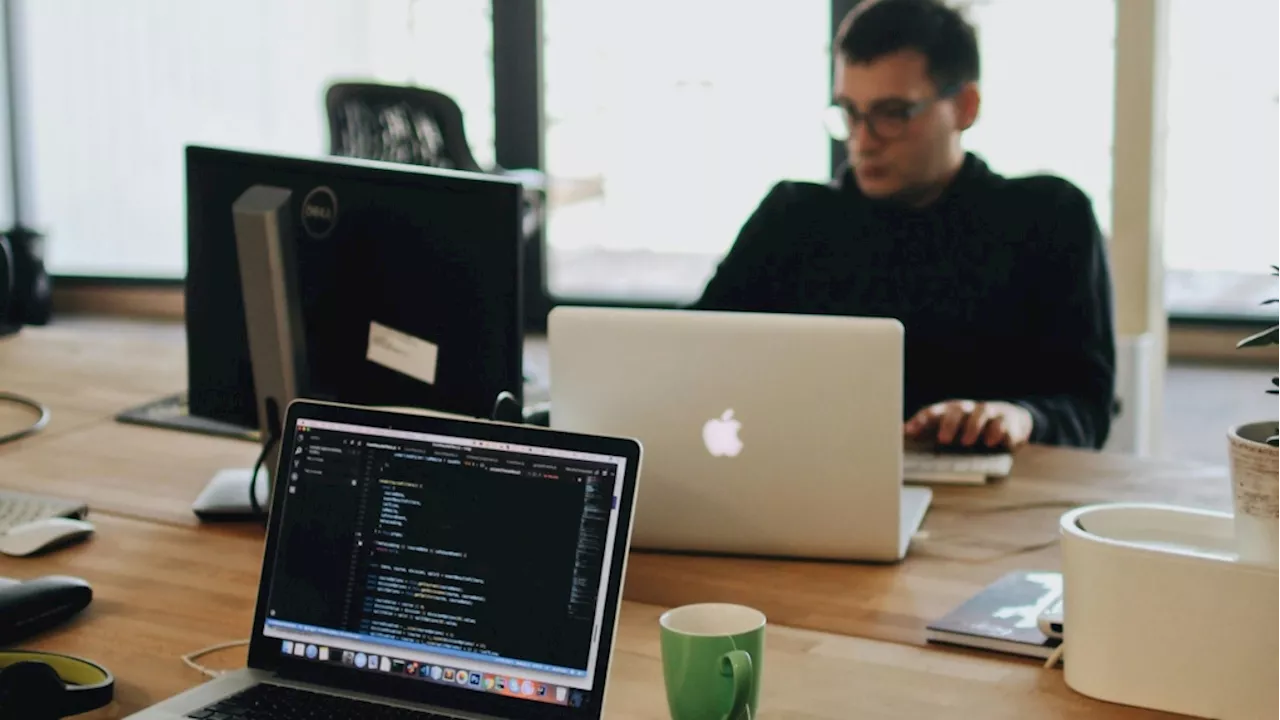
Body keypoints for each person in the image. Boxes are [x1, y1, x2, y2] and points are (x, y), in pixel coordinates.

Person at [692, 0, 1116, 451]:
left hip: (993, 502)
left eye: (892, 113)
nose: (863, 140)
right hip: (810, 485)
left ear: (966, 107)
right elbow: (690, 355)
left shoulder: (1048, 217)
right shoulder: (791, 217)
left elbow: (1086, 409)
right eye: (850, 112)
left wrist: (1020, 417)